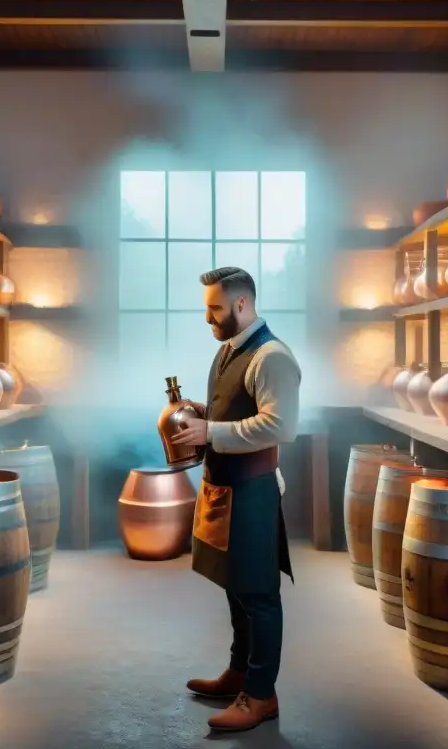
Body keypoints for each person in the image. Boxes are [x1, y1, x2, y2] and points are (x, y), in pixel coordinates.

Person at [170, 266, 302, 733]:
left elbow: (281, 426)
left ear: (242, 305)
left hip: (252, 490)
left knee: (259, 594)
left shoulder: (273, 357)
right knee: (233, 584)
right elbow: (242, 411)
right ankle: (239, 672)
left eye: (215, 310)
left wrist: (212, 430)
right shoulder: (229, 350)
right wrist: (208, 415)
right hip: (223, 488)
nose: (208, 319)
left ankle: (261, 695)